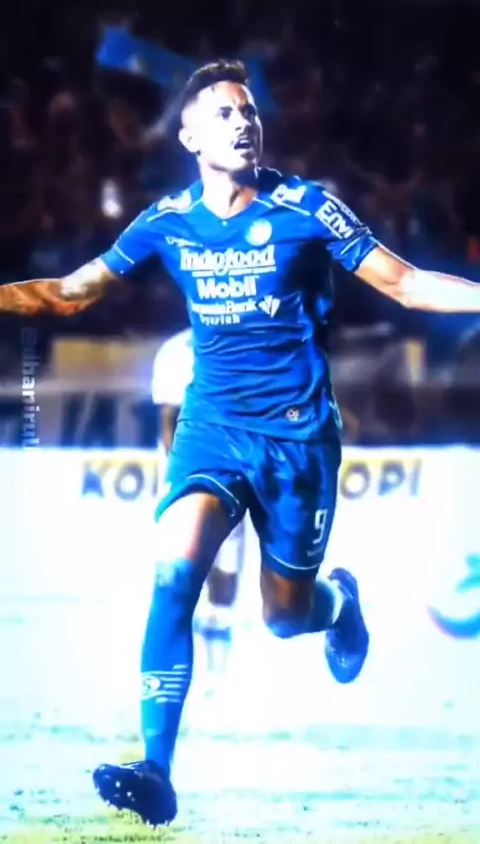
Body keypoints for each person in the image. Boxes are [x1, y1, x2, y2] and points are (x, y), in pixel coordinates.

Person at [0, 59, 479, 828]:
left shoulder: (307, 207)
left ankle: (339, 604)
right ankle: (156, 769)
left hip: (298, 441)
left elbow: (406, 283)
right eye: (224, 113)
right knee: (173, 572)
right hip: (212, 429)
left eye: (249, 111)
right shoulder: (167, 221)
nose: (243, 122)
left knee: (285, 616)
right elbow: (68, 293)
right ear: (189, 136)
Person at [151, 327, 246, 692]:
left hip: (233, 471)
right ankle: (182, 671)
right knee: (185, 570)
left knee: (227, 568)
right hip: (187, 475)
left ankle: (218, 664)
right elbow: (168, 420)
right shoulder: (175, 351)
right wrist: (184, 476)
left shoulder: (246, 342)